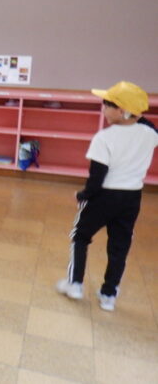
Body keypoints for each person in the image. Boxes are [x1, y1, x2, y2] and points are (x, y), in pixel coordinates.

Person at [56, 81, 157, 311]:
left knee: (80, 236)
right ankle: (108, 295)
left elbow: (97, 177)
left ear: (121, 111)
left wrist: (83, 195)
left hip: (103, 197)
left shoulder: (104, 138)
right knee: (119, 246)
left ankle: (75, 284)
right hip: (131, 199)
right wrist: (136, 114)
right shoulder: (149, 135)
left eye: (107, 104)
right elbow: (149, 125)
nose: (103, 108)